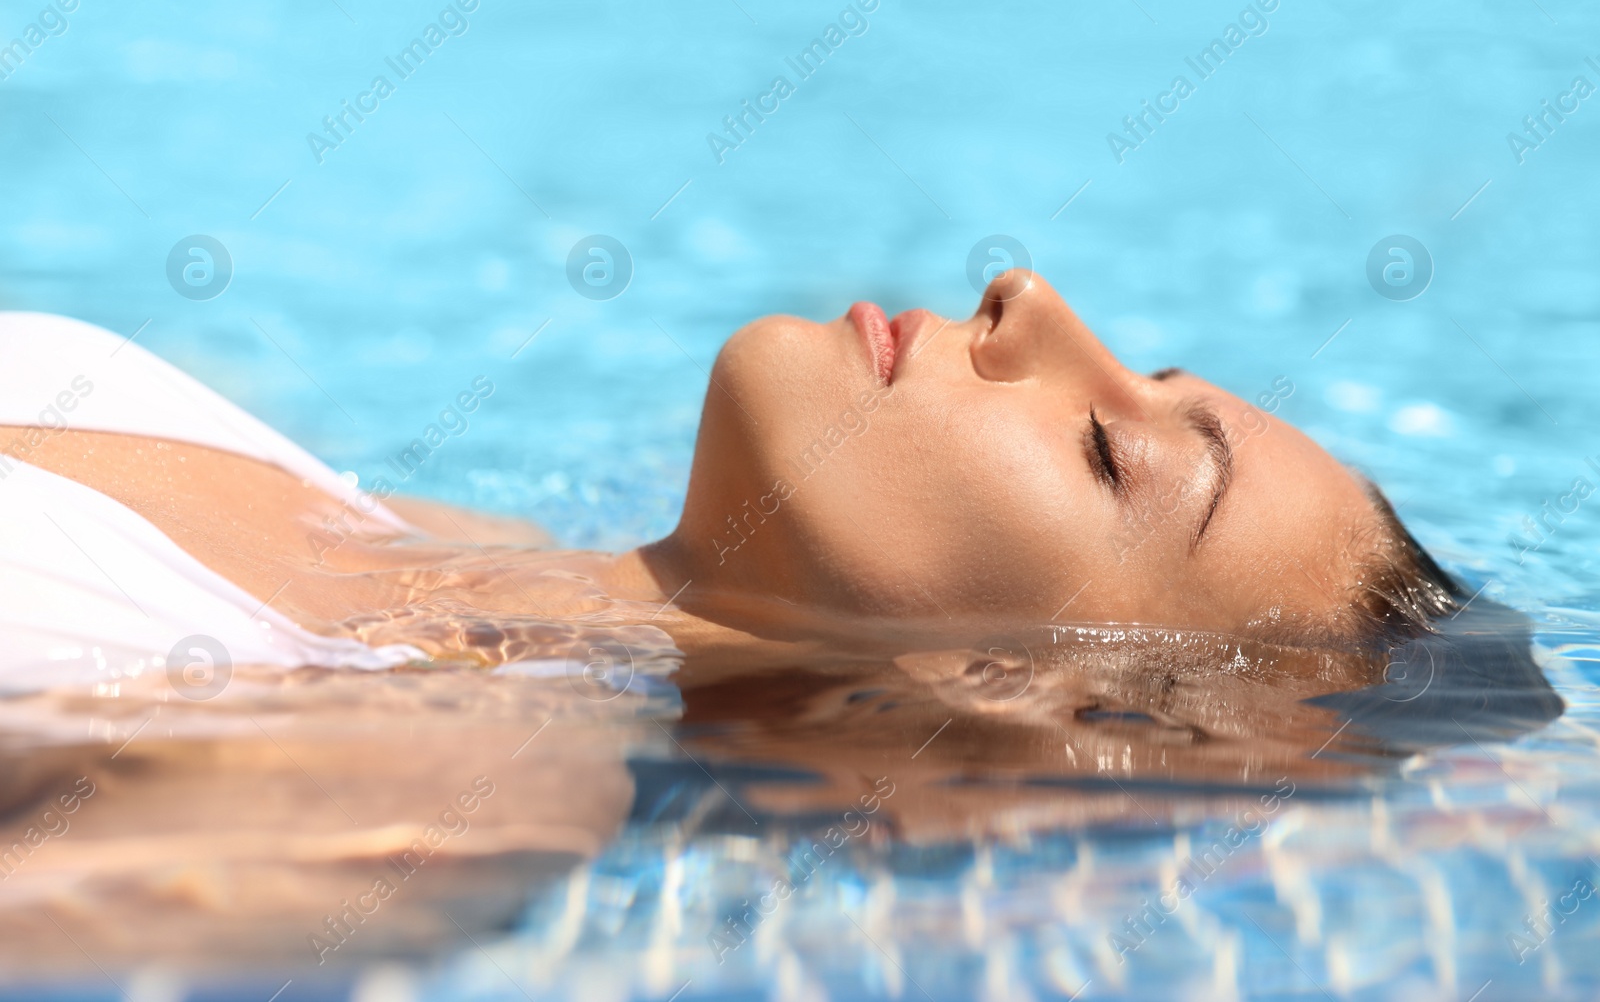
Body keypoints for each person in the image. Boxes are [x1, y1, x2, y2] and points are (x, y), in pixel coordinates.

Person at [0, 269, 1463, 692]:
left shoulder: (388, 797)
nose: (1033, 298)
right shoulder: (437, 552)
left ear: (1005, 679)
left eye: (1112, 451)